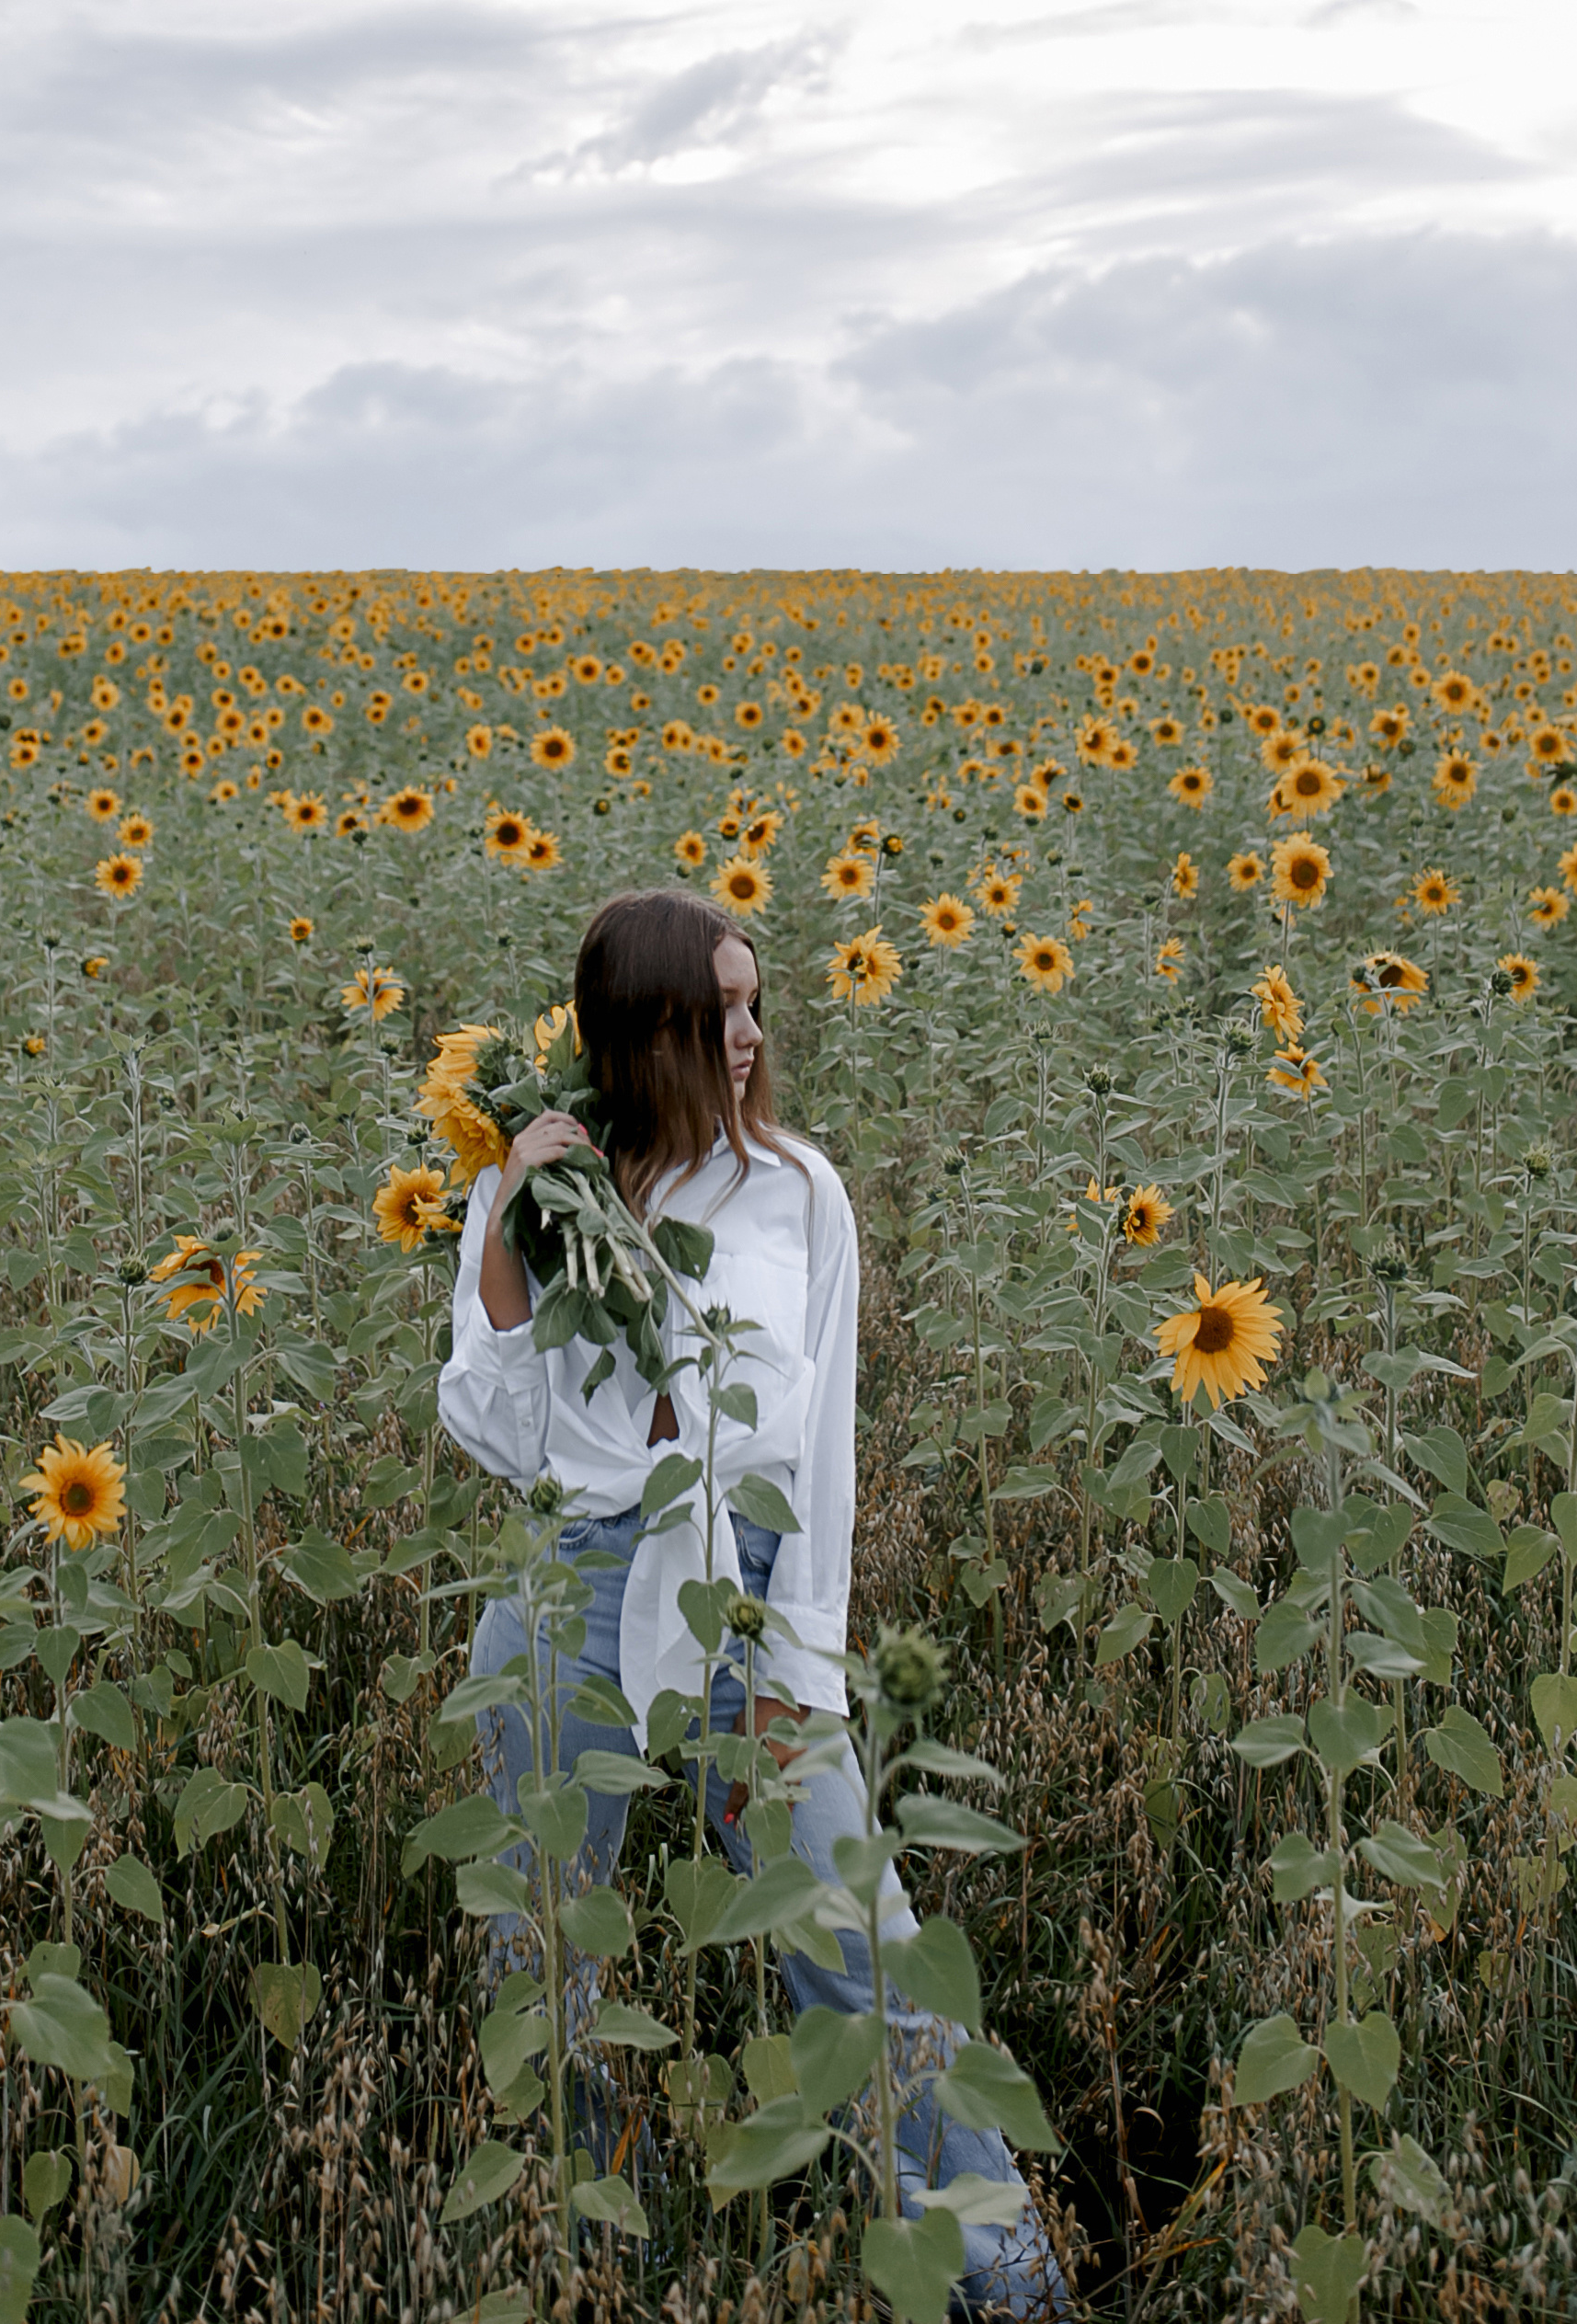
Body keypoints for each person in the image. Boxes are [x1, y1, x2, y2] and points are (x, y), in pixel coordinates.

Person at [438, 887, 1068, 2318]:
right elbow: (493, 1429)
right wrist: (503, 1236)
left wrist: (808, 1660)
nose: (747, 1034)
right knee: (545, 1952)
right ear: (635, 1029)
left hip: (749, 1592)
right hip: (579, 1581)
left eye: (752, 1002)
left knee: (866, 1946)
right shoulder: (543, 1183)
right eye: (711, 1010)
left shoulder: (800, 1189)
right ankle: (581, 2258)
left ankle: (1007, 2283)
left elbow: (826, 1451)